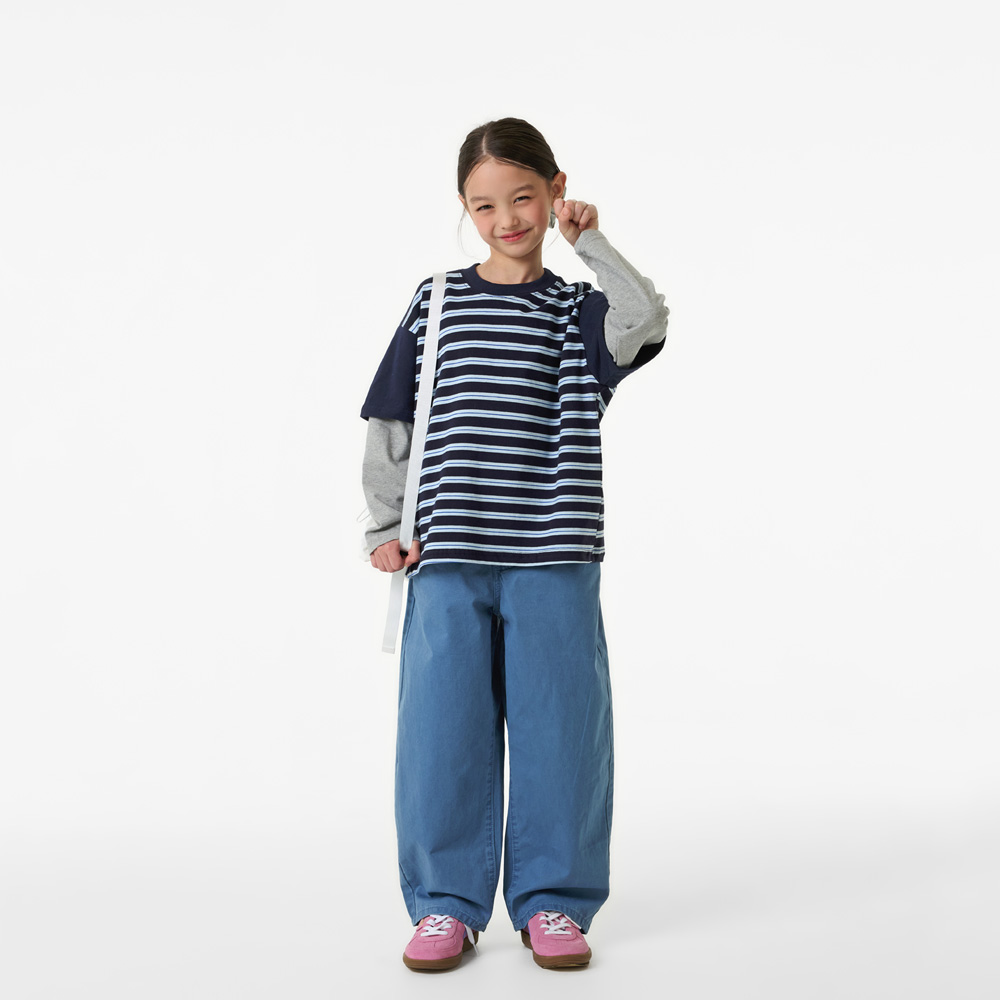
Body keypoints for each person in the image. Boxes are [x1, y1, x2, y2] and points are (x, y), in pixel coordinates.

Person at [360, 117, 669, 971]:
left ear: (554, 190)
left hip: (553, 557)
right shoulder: (437, 301)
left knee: (561, 732)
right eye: (484, 205)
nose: (506, 220)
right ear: (465, 208)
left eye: (524, 198)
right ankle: (445, 904)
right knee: (440, 736)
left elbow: (647, 317)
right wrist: (384, 525)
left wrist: (590, 242)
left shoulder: (580, 312)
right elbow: (392, 417)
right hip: (446, 557)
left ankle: (554, 900)